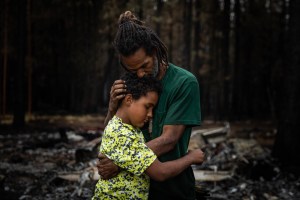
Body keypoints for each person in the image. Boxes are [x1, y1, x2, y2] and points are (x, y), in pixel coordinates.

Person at [97, 11, 203, 199]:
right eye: (131, 69)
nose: (139, 74)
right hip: (131, 192)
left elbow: (169, 139)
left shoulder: (184, 83)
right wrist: (112, 109)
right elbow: (112, 136)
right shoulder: (130, 85)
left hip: (172, 191)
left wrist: (121, 162)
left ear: (154, 51)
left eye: (144, 66)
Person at [92, 73, 204, 199]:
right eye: (147, 107)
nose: (150, 115)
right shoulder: (124, 135)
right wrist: (190, 158)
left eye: (153, 109)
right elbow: (160, 172)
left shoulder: (120, 126)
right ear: (129, 100)